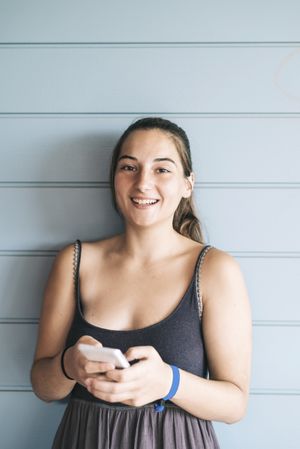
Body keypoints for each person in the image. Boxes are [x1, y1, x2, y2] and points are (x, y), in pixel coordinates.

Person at [31, 117, 252, 449]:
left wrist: (169, 381)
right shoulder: (74, 262)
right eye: (129, 167)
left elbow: (235, 405)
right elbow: (43, 386)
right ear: (114, 179)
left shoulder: (214, 269)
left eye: (162, 169)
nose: (143, 183)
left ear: (187, 184)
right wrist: (69, 365)